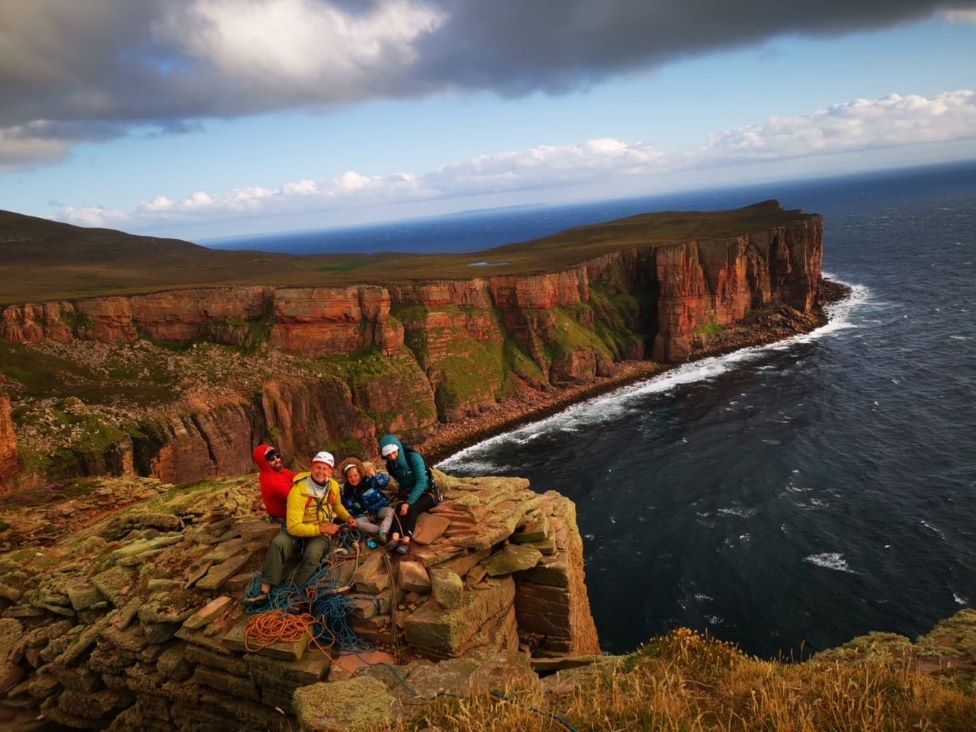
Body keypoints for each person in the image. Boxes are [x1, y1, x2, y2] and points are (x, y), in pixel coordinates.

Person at [244, 450, 356, 606]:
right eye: (318, 467)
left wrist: (348, 517)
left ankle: (296, 593)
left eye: (325, 468)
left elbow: (336, 506)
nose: (321, 472)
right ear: (312, 467)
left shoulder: (333, 486)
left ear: (331, 471)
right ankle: (265, 590)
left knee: (312, 555)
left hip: (320, 530)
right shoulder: (298, 491)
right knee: (278, 544)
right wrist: (322, 529)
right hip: (305, 528)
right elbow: (293, 527)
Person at [379, 434, 439, 555]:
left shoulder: (413, 458)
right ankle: (395, 537)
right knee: (397, 507)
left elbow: (422, 482)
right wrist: (403, 499)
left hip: (427, 491)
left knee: (412, 508)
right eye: (389, 455)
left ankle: (406, 540)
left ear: (399, 449)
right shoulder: (390, 465)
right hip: (408, 491)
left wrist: (409, 502)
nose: (392, 457)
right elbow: (400, 481)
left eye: (394, 453)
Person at [338, 457, 395, 546]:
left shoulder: (369, 480)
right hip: (366, 516)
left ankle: (383, 532)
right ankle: (380, 531)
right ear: (347, 478)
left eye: (355, 475)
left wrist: (374, 475)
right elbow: (348, 506)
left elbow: (385, 481)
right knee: (356, 523)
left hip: (379, 510)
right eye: (350, 477)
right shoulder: (347, 489)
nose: (353, 478)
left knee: (390, 511)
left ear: (360, 474)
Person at [252, 443, 295, 525]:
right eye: (272, 459)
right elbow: (297, 497)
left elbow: (296, 477)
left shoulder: (275, 472)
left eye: (277, 456)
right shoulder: (272, 480)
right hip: (285, 519)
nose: (277, 460)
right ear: (263, 462)